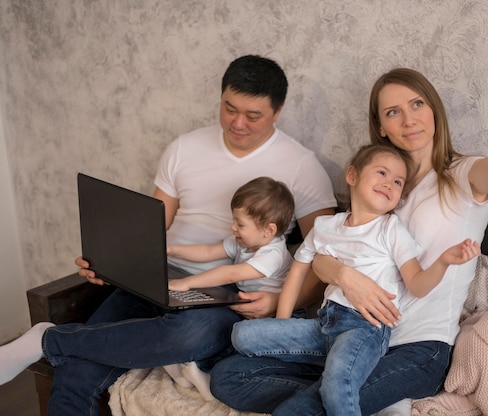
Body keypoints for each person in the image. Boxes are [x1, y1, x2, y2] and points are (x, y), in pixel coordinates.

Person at [210, 58, 488, 415]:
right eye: (393, 112)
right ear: (381, 127)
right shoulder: (379, 186)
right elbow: (324, 250)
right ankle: (339, 388)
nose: (409, 119)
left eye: (417, 104)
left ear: (434, 110)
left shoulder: (463, 176)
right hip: (350, 334)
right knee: (228, 376)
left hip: (416, 347)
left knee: (304, 409)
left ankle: (329, 394)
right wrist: (345, 276)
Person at [0, 55, 337, 415]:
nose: (237, 123)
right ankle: (52, 343)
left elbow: (322, 258)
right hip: (159, 274)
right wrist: (109, 259)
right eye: (229, 108)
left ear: (278, 110)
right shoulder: (184, 148)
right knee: (76, 373)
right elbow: (151, 227)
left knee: (188, 335)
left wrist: (279, 303)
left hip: (223, 296)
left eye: (252, 115)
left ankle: (48, 338)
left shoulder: (301, 167)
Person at [231, 144, 480, 416]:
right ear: (352, 176)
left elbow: (418, 284)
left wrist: (444, 261)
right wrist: (282, 324)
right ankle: (336, 371)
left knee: (336, 384)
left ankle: (341, 381)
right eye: (382, 173)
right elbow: (299, 271)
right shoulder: (325, 227)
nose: (389, 183)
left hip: (364, 329)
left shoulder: (390, 229)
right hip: (325, 326)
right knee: (242, 335)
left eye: (398, 181)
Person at [167, 176, 294, 294]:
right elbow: (208, 251)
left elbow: (230, 275)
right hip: (242, 295)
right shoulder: (243, 242)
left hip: (268, 310)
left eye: (240, 224)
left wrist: (186, 283)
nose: (233, 227)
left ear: (269, 230)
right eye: (233, 220)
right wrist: (170, 250)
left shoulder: (273, 255)